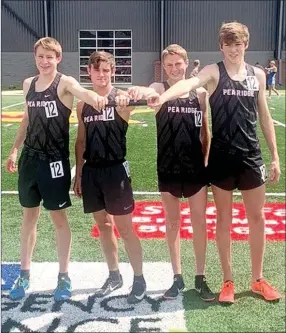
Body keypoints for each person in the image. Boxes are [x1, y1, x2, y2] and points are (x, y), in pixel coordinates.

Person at [147, 22, 282, 304]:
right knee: (224, 221)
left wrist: (275, 156)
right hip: (221, 159)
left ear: (246, 44)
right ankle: (227, 280)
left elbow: (265, 118)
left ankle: (257, 279)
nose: (234, 49)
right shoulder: (213, 71)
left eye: (238, 43)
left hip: (250, 157)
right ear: (221, 46)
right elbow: (187, 83)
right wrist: (163, 96)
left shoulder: (257, 75)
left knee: (257, 218)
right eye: (228, 44)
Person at [6, 37, 107, 302]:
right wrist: (15, 149)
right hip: (30, 159)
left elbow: (85, 93)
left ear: (58, 58)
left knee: (59, 220)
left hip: (54, 162)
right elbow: (26, 120)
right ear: (35, 56)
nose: (44, 61)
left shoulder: (64, 82)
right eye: (40, 56)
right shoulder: (28, 84)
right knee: (29, 219)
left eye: (50, 57)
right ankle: (24, 273)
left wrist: (97, 97)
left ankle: (63, 276)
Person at [128, 44, 215, 301]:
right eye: (169, 65)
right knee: (173, 223)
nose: (174, 69)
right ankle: (177, 277)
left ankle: (200, 277)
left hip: (195, 169)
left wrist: (206, 160)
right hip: (167, 166)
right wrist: (138, 91)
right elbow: (148, 91)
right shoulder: (160, 89)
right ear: (163, 67)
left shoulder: (199, 93)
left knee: (199, 223)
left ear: (186, 64)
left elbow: (205, 131)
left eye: (178, 64)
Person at [73, 51, 146, 304]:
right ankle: (114, 275)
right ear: (89, 72)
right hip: (92, 171)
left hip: (116, 170)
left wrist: (132, 93)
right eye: (97, 71)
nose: (102, 75)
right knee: (103, 226)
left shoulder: (121, 99)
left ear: (112, 72)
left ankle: (139, 278)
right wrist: (79, 172)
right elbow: (80, 140)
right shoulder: (82, 103)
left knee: (125, 228)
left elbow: (150, 95)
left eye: (106, 70)